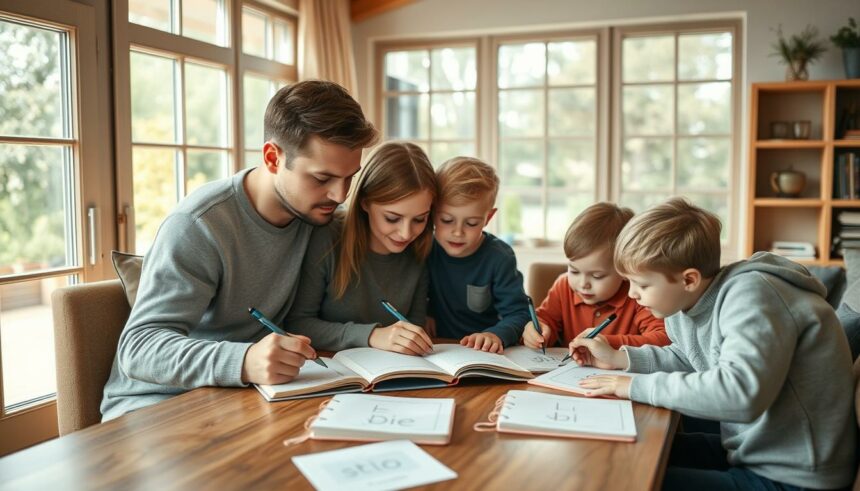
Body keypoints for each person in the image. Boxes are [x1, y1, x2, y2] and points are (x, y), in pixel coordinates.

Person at [100, 81, 377, 420]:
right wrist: (244, 360)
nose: (339, 195)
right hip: (154, 407)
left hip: (244, 398)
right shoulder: (200, 225)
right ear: (273, 158)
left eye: (349, 178)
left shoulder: (315, 216)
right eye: (322, 179)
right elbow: (139, 349)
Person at [573, 197, 856, 490]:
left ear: (689, 280)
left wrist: (634, 386)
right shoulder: (686, 303)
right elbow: (692, 357)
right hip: (753, 452)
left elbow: (740, 394)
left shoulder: (753, 297)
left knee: (624, 481)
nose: (632, 294)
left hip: (795, 475)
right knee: (618, 452)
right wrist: (619, 359)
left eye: (642, 284)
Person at [286, 142, 436, 356]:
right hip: (329, 365)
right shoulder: (326, 237)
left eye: (419, 219)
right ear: (365, 202)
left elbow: (414, 325)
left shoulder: (420, 247)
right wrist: (372, 336)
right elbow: (298, 324)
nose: (406, 233)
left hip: (390, 369)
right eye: (392, 218)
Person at [522, 202, 668, 351]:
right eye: (574, 271)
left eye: (597, 276)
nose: (583, 284)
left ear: (624, 270)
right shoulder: (563, 286)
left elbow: (664, 339)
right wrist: (537, 332)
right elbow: (545, 321)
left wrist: (608, 344)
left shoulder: (638, 295)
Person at [426, 156, 529, 353]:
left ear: (488, 218)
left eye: (471, 223)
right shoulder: (426, 248)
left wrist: (495, 335)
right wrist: (425, 312)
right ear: (431, 212)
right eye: (446, 220)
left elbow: (520, 314)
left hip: (483, 353)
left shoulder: (499, 257)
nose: (458, 232)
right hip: (439, 349)